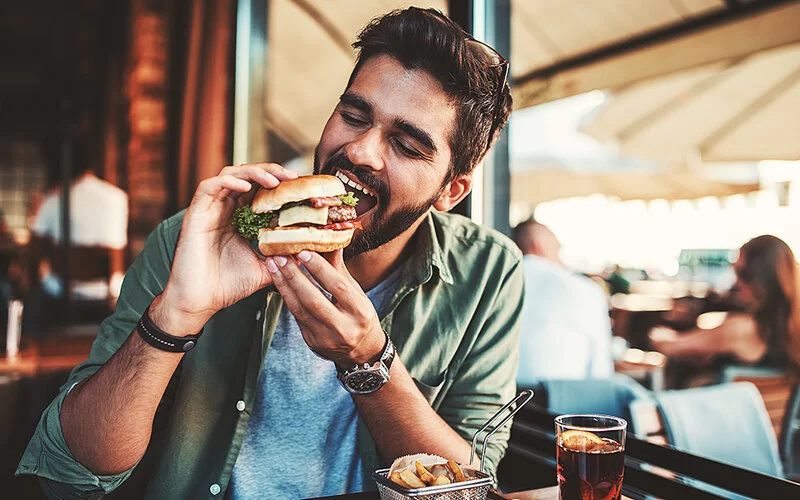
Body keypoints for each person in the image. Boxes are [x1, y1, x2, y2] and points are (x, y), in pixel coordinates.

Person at [17, 8, 523, 499]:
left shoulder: (488, 273)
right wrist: (176, 315)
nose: (362, 151)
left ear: (450, 191)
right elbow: (68, 476)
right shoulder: (194, 239)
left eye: (407, 146)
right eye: (353, 115)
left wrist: (369, 361)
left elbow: (470, 490)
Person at [650, 235, 800, 375]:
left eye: (744, 274)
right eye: (735, 272)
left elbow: (670, 346)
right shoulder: (790, 331)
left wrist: (661, 335)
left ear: (764, 279)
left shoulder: (742, 330)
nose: (736, 282)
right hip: (769, 403)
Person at [512, 218, 614, 385]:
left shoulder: (493, 283)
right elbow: (600, 368)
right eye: (558, 248)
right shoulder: (582, 288)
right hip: (560, 400)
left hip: (503, 401)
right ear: (539, 246)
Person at [29, 141, 128, 301]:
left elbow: (35, 246)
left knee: (41, 273)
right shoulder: (118, 198)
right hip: (108, 286)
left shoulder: (54, 200)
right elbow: (119, 246)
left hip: (62, 287)